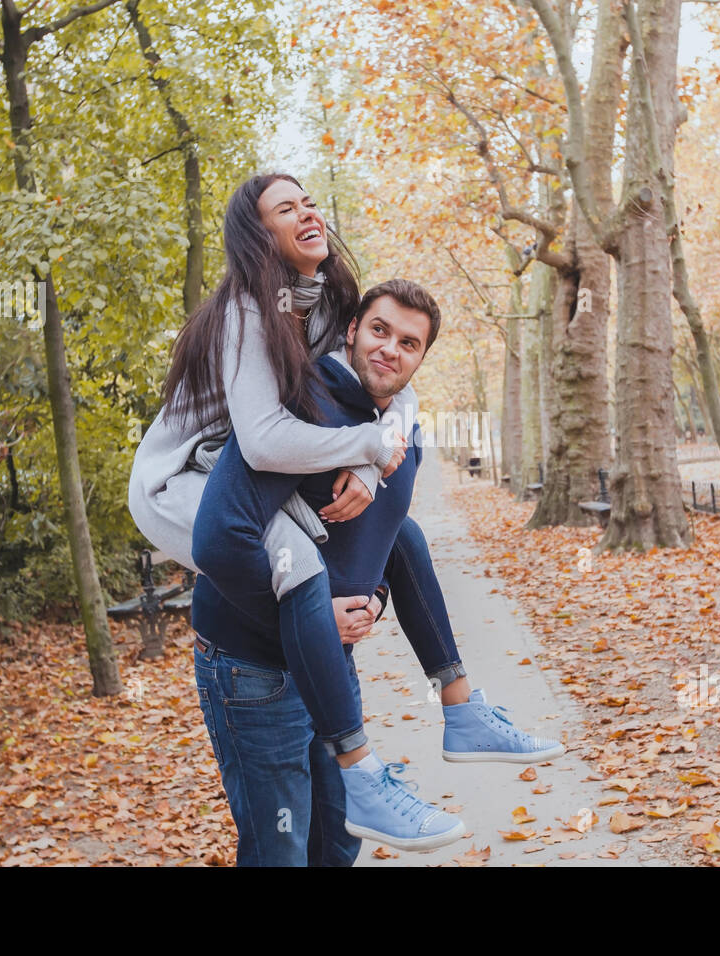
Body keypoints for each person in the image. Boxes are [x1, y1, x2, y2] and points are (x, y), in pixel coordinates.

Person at [127, 173, 561, 860]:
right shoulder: (248, 308)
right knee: (293, 562)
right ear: (257, 232)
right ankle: (360, 768)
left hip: (247, 470)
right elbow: (268, 438)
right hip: (181, 482)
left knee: (400, 536)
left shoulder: (325, 302)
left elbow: (390, 393)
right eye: (285, 208)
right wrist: (365, 447)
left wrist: (368, 460)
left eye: (307, 201)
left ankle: (460, 705)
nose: (306, 213)